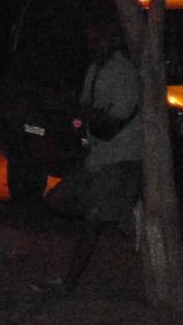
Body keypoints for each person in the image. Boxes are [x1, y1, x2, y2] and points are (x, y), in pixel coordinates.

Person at [45, 31, 143, 292]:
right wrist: (75, 120)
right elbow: (84, 119)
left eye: (99, 37)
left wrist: (78, 113)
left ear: (114, 39)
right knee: (56, 200)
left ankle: (68, 283)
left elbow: (110, 126)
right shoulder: (94, 70)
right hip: (97, 156)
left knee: (92, 221)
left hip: (121, 156)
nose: (94, 42)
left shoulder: (124, 74)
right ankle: (120, 214)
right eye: (91, 36)